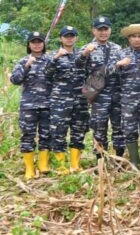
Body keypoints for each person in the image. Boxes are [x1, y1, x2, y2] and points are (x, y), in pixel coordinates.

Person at [76, 16, 124, 157]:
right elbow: (77, 66)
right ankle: (100, 160)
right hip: (98, 96)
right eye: (100, 30)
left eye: (106, 29)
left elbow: (123, 71)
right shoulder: (87, 48)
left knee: (118, 127)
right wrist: (85, 54)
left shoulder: (117, 48)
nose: (103, 32)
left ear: (110, 30)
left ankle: (119, 158)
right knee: (99, 127)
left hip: (116, 94)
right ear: (93, 31)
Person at [110, 24, 140, 168]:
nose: (136, 39)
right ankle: (134, 161)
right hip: (127, 99)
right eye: (133, 36)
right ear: (129, 38)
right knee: (129, 130)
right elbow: (107, 72)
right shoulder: (120, 54)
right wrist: (118, 64)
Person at [45, 26, 89, 174]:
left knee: (79, 130)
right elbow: (46, 74)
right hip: (60, 100)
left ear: (76, 38)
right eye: (66, 36)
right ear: (60, 38)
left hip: (80, 100)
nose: (69, 38)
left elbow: (90, 76)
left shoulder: (83, 54)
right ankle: (61, 165)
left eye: (72, 35)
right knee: (58, 131)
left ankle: (75, 164)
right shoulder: (53, 55)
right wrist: (55, 58)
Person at [11, 31, 51, 179]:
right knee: (28, 135)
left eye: (39, 41)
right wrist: (27, 66)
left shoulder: (49, 61)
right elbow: (15, 80)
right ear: (29, 44)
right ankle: (29, 168)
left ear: (43, 44)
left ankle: (43, 164)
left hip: (47, 104)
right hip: (29, 106)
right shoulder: (23, 61)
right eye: (33, 42)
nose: (37, 44)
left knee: (46, 135)